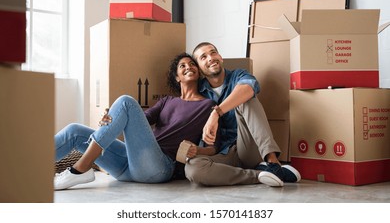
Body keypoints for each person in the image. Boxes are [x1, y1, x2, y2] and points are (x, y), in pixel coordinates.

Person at [54, 53, 218, 190]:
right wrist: (112, 116)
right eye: (182, 66)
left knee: (126, 102)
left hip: (158, 167)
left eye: (192, 64)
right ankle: (31, 166)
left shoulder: (208, 106)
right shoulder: (167, 101)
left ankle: (80, 169)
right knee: (74, 131)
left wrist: (197, 150)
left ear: (199, 72)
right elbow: (140, 120)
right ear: (177, 77)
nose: (188, 67)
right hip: (128, 164)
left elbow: (216, 147)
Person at [184, 42, 301, 187]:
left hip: (250, 148)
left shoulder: (238, 75)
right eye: (203, 57)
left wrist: (216, 113)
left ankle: (273, 163)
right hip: (224, 154)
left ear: (220, 57)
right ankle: (261, 175)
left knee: (245, 98)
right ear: (199, 68)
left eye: (213, 52)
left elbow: (249, 87)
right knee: (193, 168)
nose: (210, 58)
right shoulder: (199, 93)